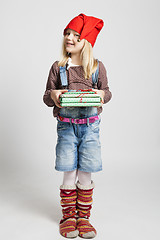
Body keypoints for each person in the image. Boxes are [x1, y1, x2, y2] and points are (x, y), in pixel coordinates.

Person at [43, 13, 112, 239]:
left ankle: (84, 218)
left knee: (85, 173)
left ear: (87, 41)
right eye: (67, 34)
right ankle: (68, 217)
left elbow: (107, 92)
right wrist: (53, 94)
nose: (69, 39)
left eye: (75, 35)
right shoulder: (58, 67)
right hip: (66, 128)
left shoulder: (96, 67)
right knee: (68, 173)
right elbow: (46, 97)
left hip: (90, 129)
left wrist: (102, 94)